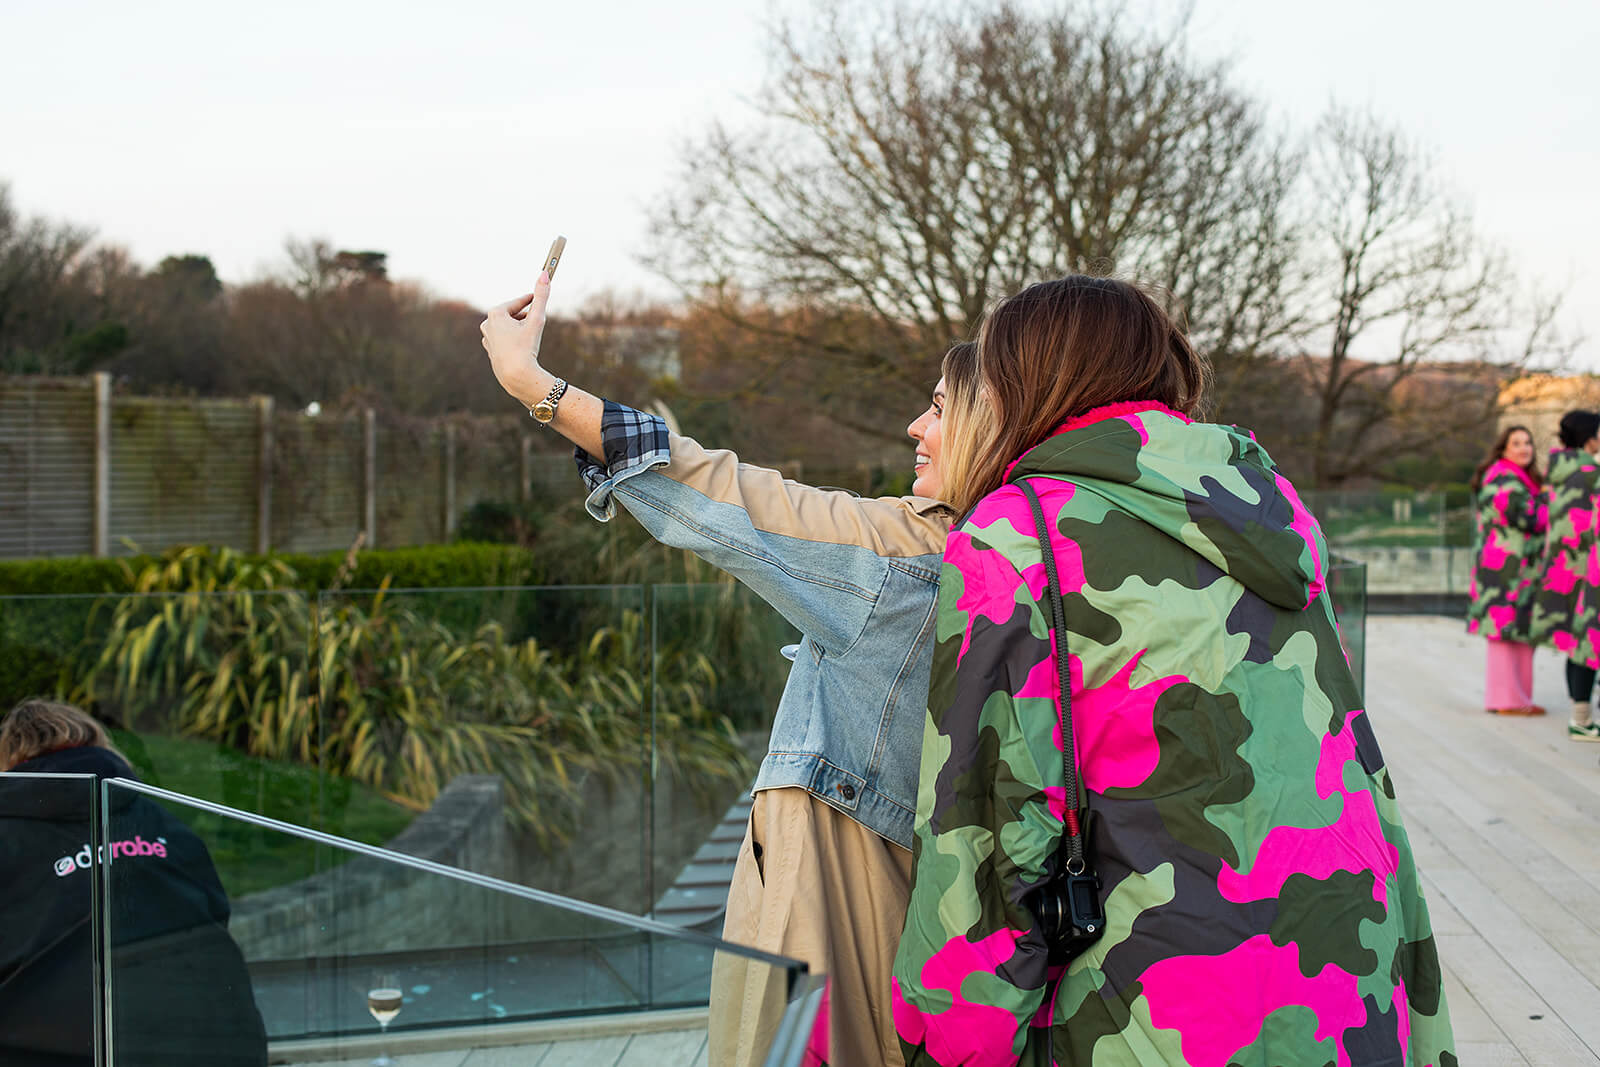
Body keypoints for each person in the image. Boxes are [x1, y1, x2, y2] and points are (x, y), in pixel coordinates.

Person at [891, 276, 1455, 1066]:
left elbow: (984, 836)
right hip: (1350, 975)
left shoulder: (1016, 533)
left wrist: (950, 1045)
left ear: (1030, 378)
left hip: (1162, 1007)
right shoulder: (1266, 503)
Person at [480, 271, 964, 1067]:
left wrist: (534, 386)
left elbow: (723, 496)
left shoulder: (908, 563)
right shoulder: (1030, 566)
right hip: (914, 927)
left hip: (831, 925)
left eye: (941, 407)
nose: (916, 424)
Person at [0, 700, 267, 1067]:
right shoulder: (163, 821)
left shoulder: (8, 840)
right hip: (217, 1040)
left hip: (54, 1048)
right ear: (96, 743)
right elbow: (215, 914)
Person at [1467, 425, 1549, 716]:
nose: (1525, 448)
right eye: (1517, 443)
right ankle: (1506, 700)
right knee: (1503, 633)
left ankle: (1519, 698)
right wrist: (1552, 498)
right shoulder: (1503, 479)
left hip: (1519, 571)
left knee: (1520, 632)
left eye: (1528, 442)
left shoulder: (1521, 479)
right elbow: (1529, 518)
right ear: (1503, 449)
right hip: (1503, 572)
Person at [1529, 410, 1600, 739]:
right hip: (1588, 566)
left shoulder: (1558, 470)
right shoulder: (1591, 473)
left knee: (1577, 642)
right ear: (1589, 437)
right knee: (1589, 640)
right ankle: (1581, 719)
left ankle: (1579, 714)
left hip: (1562, 567)